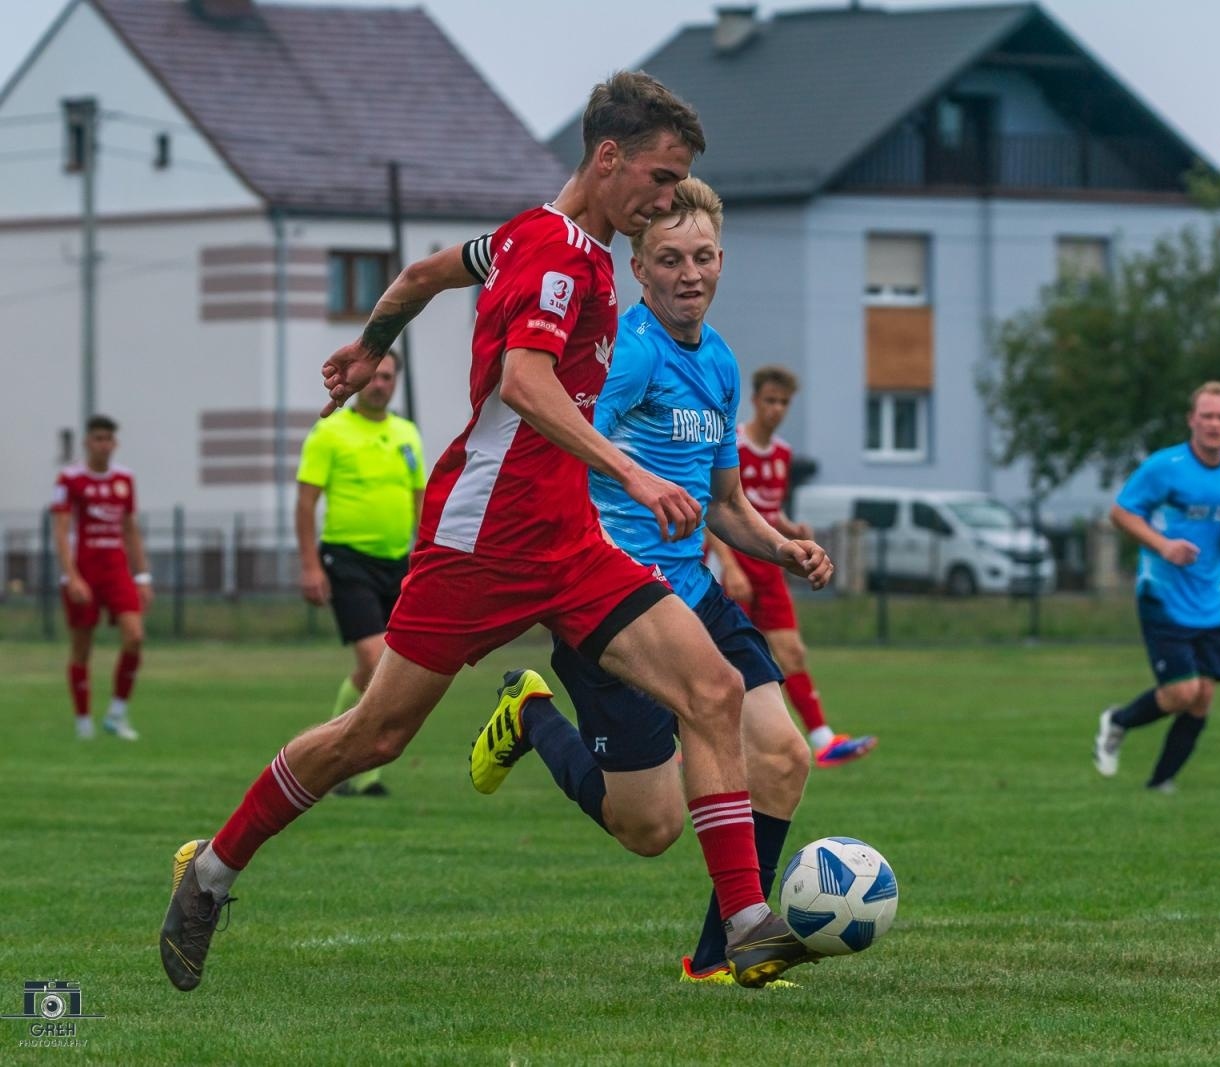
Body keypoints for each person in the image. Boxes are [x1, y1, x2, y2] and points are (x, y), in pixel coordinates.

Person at [161, 71, 815, 993]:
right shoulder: (552, 259)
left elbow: (426, 273)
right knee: (373, 735)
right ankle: (213, 869)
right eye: (662, 179)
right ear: (609, 157)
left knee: (710, 688)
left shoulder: (527, 236)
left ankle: (744, 923)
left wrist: (372, 344)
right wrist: (629, 467)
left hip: (571, 545)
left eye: (679, 186)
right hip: (482, 541)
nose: (668, 200)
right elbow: (525, 382)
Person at [469, 177, 829, 986]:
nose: (688, 273)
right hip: (614, 605)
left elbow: (725, 502)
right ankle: (531, 716)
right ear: (639, 268)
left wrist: (783, 548)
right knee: (650, 825)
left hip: (695, 593)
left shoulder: (724, 362)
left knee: (781, 755)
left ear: (721, 261)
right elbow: (564, 450)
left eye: (702, 256)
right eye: (669, 259)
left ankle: (723, 953)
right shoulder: (628, 355)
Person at [706, 366, 877, 767]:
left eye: (783, 402)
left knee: (792, 651)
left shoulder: (782, 454)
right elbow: (714, 509)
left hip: (767, 566)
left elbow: (765, 510)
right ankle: (695, 742)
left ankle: (824, 741)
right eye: (770, 400)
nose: (776, 409)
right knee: (719, 663)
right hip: (733, 564)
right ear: (755, 400)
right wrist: (729, 564)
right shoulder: (734, 445)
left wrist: (790, 528)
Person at [1092, 382, 1220, 792]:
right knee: (1182, 691)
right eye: (1207, 416)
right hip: (1163, 594)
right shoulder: (1166, 466)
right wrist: (1164, 546)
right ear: (1192, 420)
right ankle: (1118, 721)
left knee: (1203, 697)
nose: (1214, 424)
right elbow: (1121, 512)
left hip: (1211, 599)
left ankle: (1160, 783)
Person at [295, 351, 425, 798]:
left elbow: (420, 502)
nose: (380, 384)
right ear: (360, 378)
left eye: (388, 377)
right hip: (347, 561)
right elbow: (306, 501)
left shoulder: (407, 434)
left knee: (371, 670)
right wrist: (310, 565)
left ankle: (329, 755)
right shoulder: (330, 431)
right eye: (373, 376)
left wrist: (425, 559)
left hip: (397, 564)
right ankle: (365, 774)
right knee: (377, 663)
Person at [51, 414, 152, 741]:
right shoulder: (69, 480)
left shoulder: (124, 479)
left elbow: (130, 528)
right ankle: (83, 723)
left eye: (108, 439)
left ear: (115, 443)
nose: (103, 445)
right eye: (97, 439)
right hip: (84, 572)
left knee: (135, 636)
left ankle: (116, 714)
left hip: (117, 571)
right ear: (87, 442)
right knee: (82, 647)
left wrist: (143, 575)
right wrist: (72, 576)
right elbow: (61, 530)